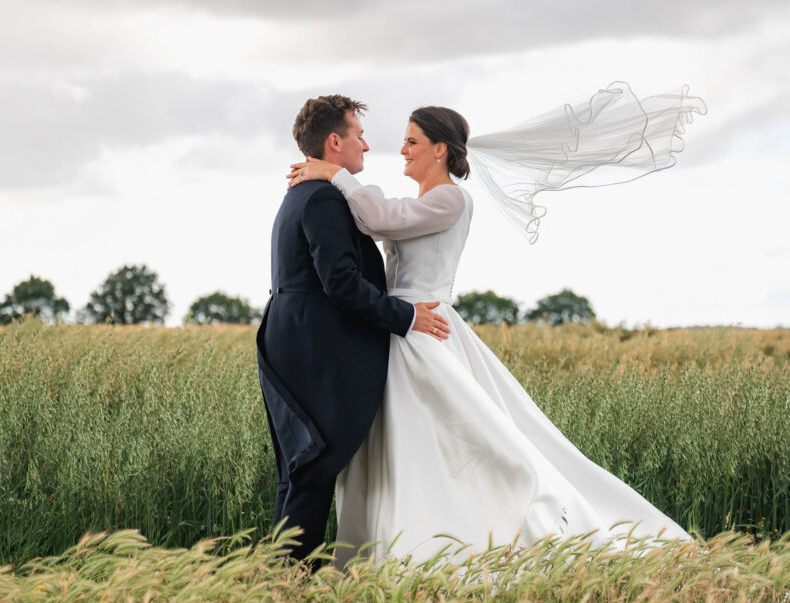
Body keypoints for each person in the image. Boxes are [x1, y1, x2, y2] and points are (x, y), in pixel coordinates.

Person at [287, 105, 692, 566]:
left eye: (412, 141)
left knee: (462, 445)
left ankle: (450, 548)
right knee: (399, 452)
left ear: (440, 149)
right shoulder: (420, 201)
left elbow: (380, 219)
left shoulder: (452, 200)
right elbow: (378, 216)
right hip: (403, 327)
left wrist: (334, 175)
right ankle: (389, 553)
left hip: (425, 331)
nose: (401, 149)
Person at [256, 95, 451, 568]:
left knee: (301, 469)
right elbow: (340, 283)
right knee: (314, 466)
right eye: (358, 134)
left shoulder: (304, 191)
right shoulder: (322, 196)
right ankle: (287, 582)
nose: (367, 143)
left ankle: (280, 582)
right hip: (314, 346)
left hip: (289, 337)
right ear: (335, 141)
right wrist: (405, 317)